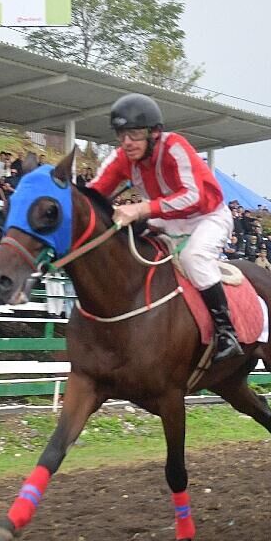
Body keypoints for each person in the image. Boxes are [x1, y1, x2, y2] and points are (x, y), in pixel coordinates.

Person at [85, 93, 241, 361]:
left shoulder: (175, 146)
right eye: (121, 135)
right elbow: (92, 195)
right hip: (168, 218)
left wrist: (141, 209)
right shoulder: (121, 158)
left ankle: (226, 333)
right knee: (122, 239)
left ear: (154, 133)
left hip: (207, 216)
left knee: (194, 257)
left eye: (134, 134)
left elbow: (193, 197)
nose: (126, 142)